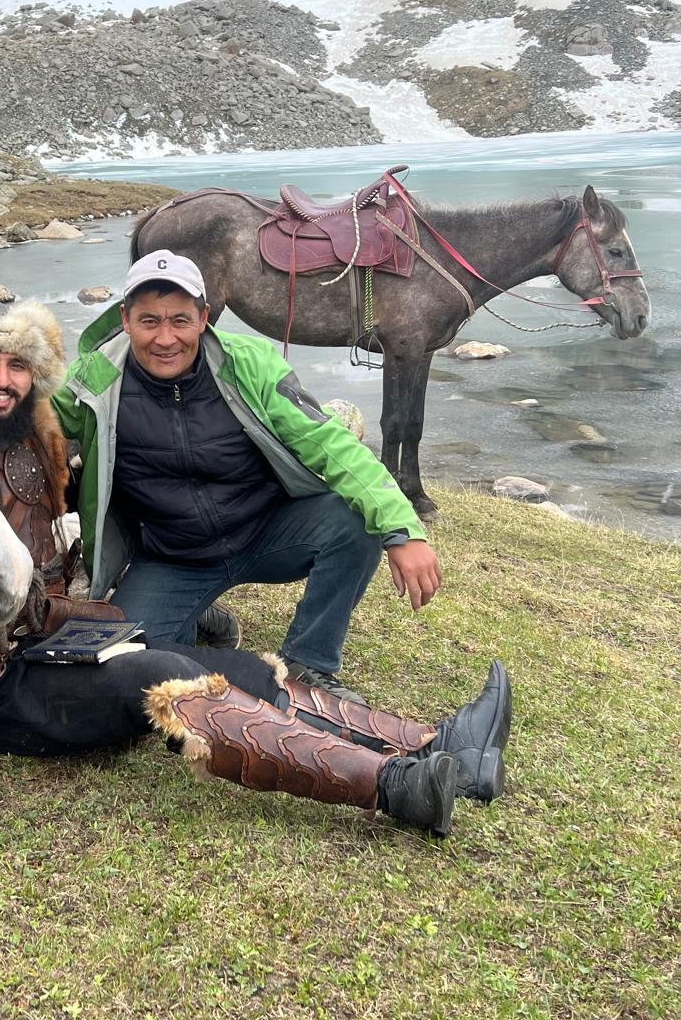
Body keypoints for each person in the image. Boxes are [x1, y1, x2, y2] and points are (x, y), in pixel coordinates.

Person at [0, 299, 508, 839]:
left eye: (16, 366)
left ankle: (437, 745)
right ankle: (396, 789)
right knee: (163, 672)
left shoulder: (39, 443)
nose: (1, 379)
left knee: (231, 667)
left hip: (54, 642)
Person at [52, 251, 442, 703]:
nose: (165, 338)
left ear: (204, 318)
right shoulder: (93, 381)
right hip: (171, 557)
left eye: (180, 320)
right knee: (128, 659)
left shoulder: (249, 363)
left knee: (354, 521)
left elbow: (329, 443)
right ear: (125, 319)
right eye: (149, 321)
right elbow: (34, 427)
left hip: (267, 533)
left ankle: (308, 663)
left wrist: (403, 528)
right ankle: (204, 620)